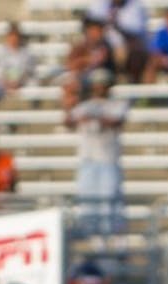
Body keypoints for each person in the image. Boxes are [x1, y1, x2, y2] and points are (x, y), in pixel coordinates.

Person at [66, 69, 127, 235]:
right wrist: (68, 100)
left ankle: (110, 241)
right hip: (88, 160)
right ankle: (90, 239)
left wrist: (93, 118)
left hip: (108, 160)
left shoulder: (117, 105)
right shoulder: (84, 106)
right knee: (88, 204)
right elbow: (69, 121)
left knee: (109, 203)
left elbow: (116, 121)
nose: (100, 87)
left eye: (103, 84)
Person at [90, 0, 151, 81]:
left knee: (122, 51)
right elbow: (92, 25)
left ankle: (121, 77)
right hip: (104, 46)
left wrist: (116, 25)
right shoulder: (100, 4)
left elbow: (136, 32)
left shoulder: (135, 6)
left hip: (127, 47)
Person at [0, 23, 38, 110]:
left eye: (15, 36)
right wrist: (8, 83)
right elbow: (2, 70)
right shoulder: (2, 51)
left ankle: (34, 112)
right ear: (8, 37)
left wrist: (17, 82)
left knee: (36, 87)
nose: (13, 39)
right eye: (11, 36)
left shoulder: (26, 52)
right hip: (6, 81)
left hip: (23, 82)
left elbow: (27, 71)